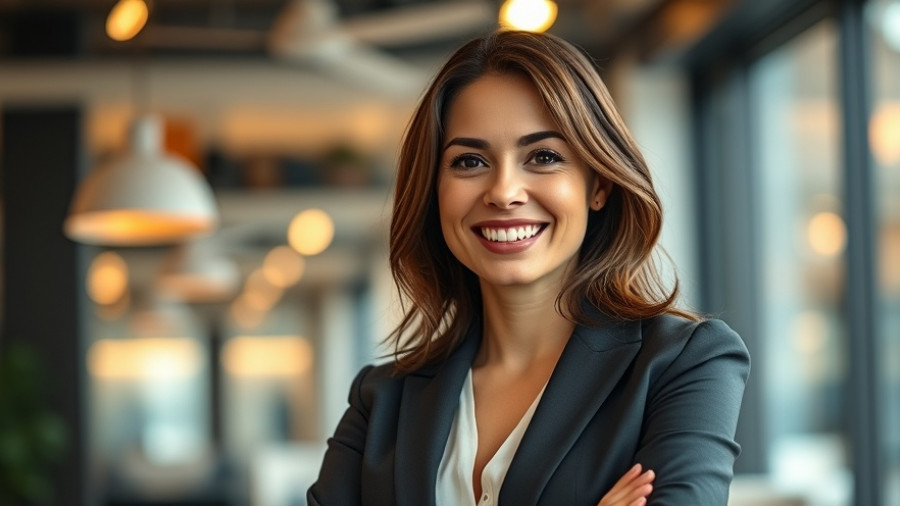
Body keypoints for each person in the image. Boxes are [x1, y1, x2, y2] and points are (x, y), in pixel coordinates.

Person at [308, 30, 750, 506]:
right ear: (435, 192)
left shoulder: (684, 365)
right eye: (470, 161)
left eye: (543, 157)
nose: (503, 191)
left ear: (597, 184)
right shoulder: (380, 401)